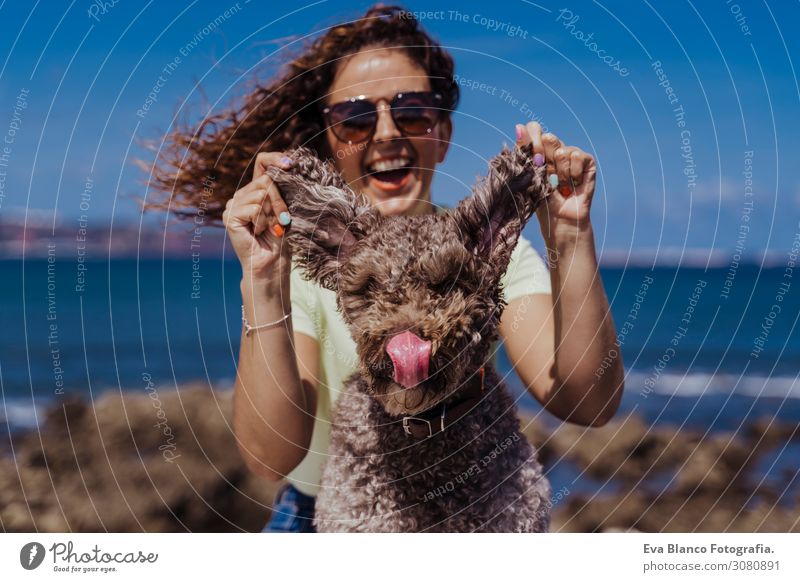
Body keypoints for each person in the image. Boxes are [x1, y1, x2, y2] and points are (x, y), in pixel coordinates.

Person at [149, 4, 624, 532]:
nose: (385, 133)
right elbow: (269, 458)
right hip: (325, 514)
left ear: (442, 135)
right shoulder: (309, 263)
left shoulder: (488, 253)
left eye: (413, 111)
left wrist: (571, 231)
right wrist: (263, 278)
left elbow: (587, 401)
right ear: (331, 142)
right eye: (354, 119)